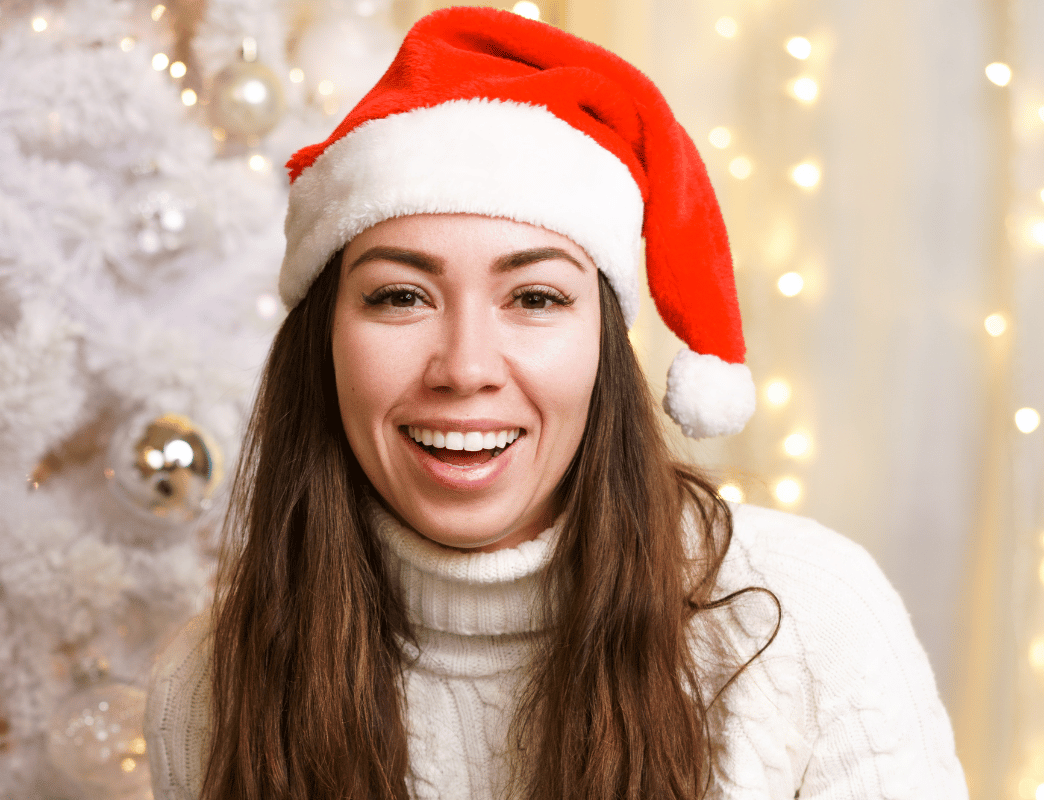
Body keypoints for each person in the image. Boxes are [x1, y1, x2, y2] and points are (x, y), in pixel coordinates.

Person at [143, 7, 968, 799]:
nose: (465, 369)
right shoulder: (208, 685)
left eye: (535, 298)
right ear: (324, 343)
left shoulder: (804, 621)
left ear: (603, 344)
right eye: (400, 296)